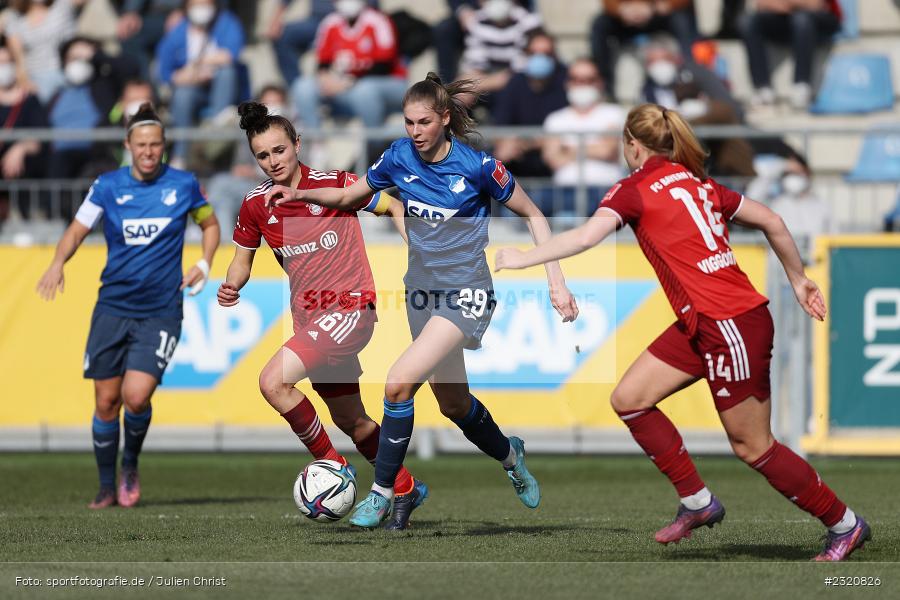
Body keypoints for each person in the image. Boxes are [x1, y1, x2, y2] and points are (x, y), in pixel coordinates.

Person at [494, 103, 870, 562]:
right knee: (630, 398)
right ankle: (697, 501)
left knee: (752, 446)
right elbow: (772, 219)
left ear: (632, 144)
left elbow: (587, 237)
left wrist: (522, 259)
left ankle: (844, 524)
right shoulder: (699, 182)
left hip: (728, 323)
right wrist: (798, 277)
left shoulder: (633, 189)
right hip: (706, 320)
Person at [266, 72, 579, 528]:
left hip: (467, 292)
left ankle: (381, 492)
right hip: (422, 293)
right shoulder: (397, 157)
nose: (414, 131)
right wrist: (300, 192)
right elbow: (351, 195)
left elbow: (534, 214)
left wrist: (555, 278)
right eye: (408, 122)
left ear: (445, 119)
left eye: (423, 122)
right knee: (453, 404)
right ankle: (512, 456)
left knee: (398, 382)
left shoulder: (476, 166)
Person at [217, 101, 426, 530]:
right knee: (351, 419)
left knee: (272, 382)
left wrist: (420, 256)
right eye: (262, 155)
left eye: (279, 150)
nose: (273, 161)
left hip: (350, 308)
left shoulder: (334, 185)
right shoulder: (256, 205)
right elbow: (243, 259)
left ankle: (334, 469)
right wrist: (232, 283)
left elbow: (394, 208)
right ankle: (404, 485)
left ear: (298, 143)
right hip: (310, 319)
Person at [36, 103, 220, 509]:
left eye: (155, 145)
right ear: (128, 145)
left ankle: (130, 466)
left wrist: (204, 262)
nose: (148, 152)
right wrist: (56, 263)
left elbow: (210, 223)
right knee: (105, 401)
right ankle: (105, 485)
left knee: (136, 397)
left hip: (161, 309)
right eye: (141, 145)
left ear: (164, 146)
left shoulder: (184, 185)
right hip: (113, 307)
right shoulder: (106, 186)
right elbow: (77, 229)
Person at [155, 0, 246, 167]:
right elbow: (166, 72)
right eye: (196, 4)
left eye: (206, 4)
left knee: (226, 72)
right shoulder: (178, 30)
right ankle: (180, 155)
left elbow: (231, 54)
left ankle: (217, 127)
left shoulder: (226, 22)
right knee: (183, 94)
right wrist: (189, 76)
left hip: (221, 89)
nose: (201, 9)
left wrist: (199, 64)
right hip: (191, 89)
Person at [539, 58, 625, 215]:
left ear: (600, 82)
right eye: (576, 79)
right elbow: (552, 159)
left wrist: (567, 149)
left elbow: (607, 151)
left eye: (589, 79)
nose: (582, 84)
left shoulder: (614, 113)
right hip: (563, 191)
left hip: (605, 189)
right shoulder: (555, 119)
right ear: (568, 82)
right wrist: (594, 147)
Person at [491, 28, 567, 178]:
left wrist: (528, 142)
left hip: (553, 165)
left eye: (546, 54)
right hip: (518, 164)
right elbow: (500, 127)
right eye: (534, 53)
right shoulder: (515, 83)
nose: (540, 58)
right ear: (526, 55)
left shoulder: (566, 81)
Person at [739, 0, 842, 109]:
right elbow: (762, 4)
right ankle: (763, 89)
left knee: (801, 19)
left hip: (820, 20)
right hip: (784, 18)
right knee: (748, 21)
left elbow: (815, 4)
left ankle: (801, 86)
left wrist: (787, 4)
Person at [590, 0, 699, 101]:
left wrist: (656, 6)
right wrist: (621, 10)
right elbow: (607, 3)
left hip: (658, 14)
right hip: (624, 18)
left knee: (682, 19)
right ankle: (603, 84)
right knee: (600, 24)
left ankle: (690, 76)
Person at [5, 0, 87, 104]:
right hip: (38, 78)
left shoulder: (62, 5)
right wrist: (24, 81)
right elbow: (19, 60)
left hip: (71, 71)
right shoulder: (14, 18)